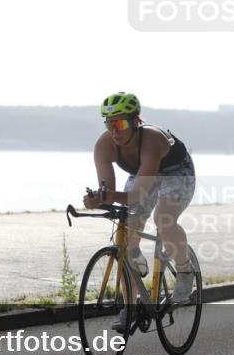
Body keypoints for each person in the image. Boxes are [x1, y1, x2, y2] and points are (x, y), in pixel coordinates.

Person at [82, 92, 196, 331]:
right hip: (144, 172)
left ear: (135, 122)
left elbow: (138, 194)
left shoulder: (152, 140)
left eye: (120, 123)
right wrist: (97, 200)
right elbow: (110, 193)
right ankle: (130, 305)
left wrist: (109, 197)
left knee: (163, 219)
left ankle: (185, 271)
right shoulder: (103, 146)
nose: (115, 130)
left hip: (176, 171)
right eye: (109, 123)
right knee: (129, 223)